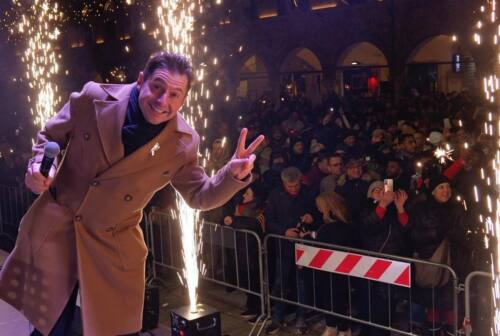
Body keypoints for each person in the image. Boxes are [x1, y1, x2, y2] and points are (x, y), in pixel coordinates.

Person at [0, 51, 264, 336]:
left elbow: (199, 195)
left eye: (175, 94)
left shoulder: (184, 143)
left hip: (112, 244)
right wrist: (39, 165)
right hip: (58, 229)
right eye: (157, 87)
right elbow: (50, 136)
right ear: (141, 80)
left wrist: (232, 176)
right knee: (49, 324)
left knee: (114, 329)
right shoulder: (93, 97)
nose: (163, 101)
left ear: (184, 99)